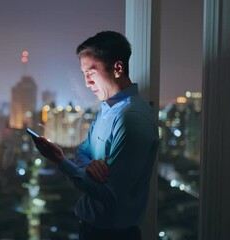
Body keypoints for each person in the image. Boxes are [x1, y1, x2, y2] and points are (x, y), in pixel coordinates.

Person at [31, 31, 159, 240]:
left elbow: (110, 195)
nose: (87, 83)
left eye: (91, 73)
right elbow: (82, 151)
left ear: (117, 68)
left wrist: (60, 161)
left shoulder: (131, 119)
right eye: (83, 75)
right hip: (92, 230)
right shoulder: (107, 109)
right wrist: (90, 166)